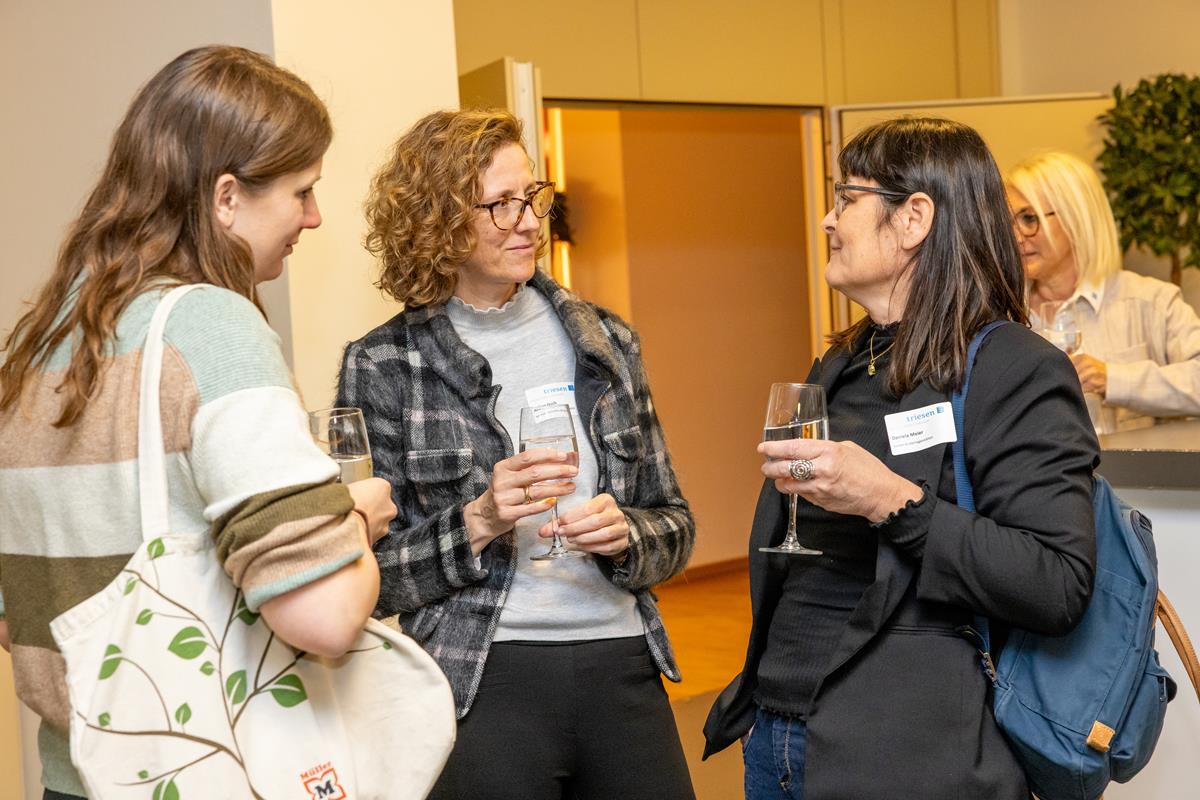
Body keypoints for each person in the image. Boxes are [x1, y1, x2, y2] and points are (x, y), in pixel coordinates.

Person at [0, 46, 396, 800]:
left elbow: (17, 616)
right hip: (213, 775)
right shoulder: (211, 330)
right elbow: (325, 616)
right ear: (226, 197)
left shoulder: (37, 345)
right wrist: (354, 522)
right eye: (302, 191)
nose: (313, 217)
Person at [703, 118, 1099, 799]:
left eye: (845, 198)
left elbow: (1055, 583)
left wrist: (889, 500)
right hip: (778, 735)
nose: (828, 220)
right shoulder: (842, 361)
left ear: (915, 217)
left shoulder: (1014, 368)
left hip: (910, 753)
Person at [336, 108, 696, 800]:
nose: (530, 222)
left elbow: (674, 524)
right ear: (439, 221)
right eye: (501, 204)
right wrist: (478, 520)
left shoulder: (607, 342)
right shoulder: (383, 365)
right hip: (479, 674)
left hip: (621, 661)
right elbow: (368, 577)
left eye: (532, 196)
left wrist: (628, 534)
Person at [1008, 151, 1200, 433]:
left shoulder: (1151, 301)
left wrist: (1112, 379)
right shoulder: (1001, 313)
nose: (1015, 237)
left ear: (1077, 218)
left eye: (1028, 218)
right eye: (1008, 223)